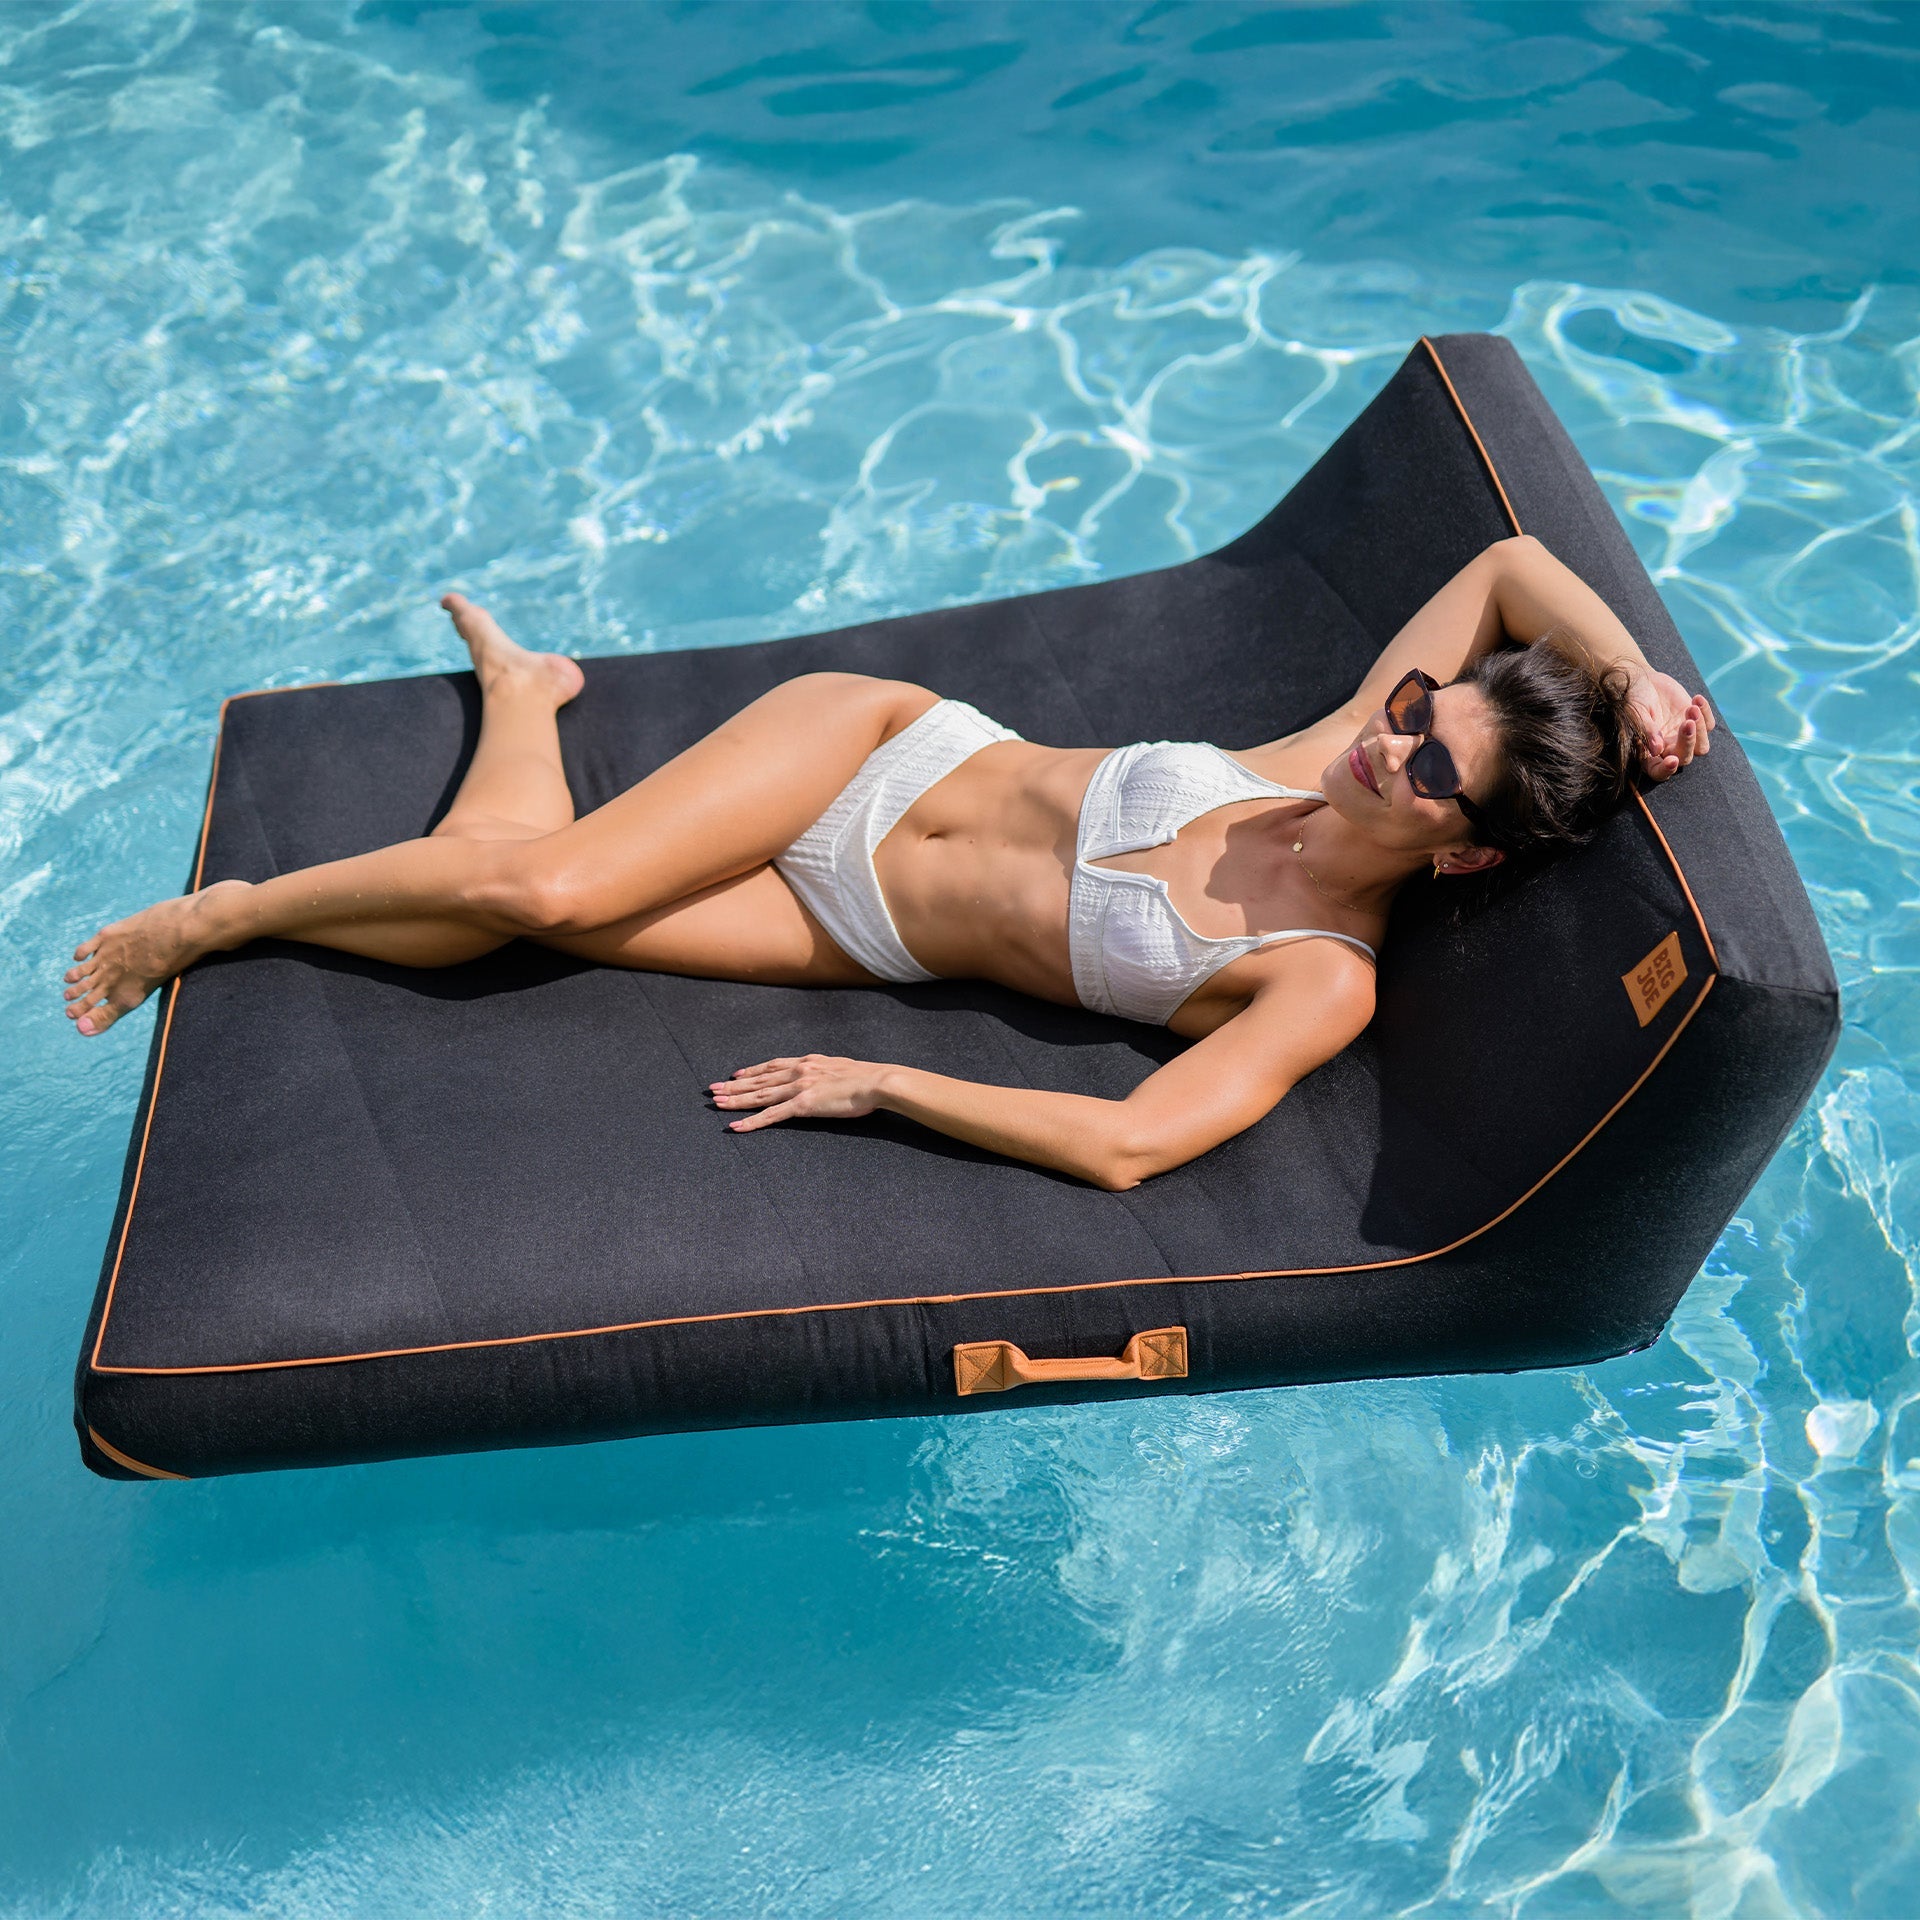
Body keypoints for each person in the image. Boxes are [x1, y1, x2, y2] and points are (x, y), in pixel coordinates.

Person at [63, 533, 1712, 1190]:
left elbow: (1133, 1147)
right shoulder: (1308, 752)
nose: (1393, 738)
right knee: (544, 892)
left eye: (1431, 768)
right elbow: (1506, 565)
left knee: (517, 898)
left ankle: (524, 698)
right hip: (873, 744)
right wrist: (1631, 674)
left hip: (848, 930)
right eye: (1419, 709)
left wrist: (889, 1088)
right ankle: (219, 915)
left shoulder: (1315, 981)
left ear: (1468, 858)